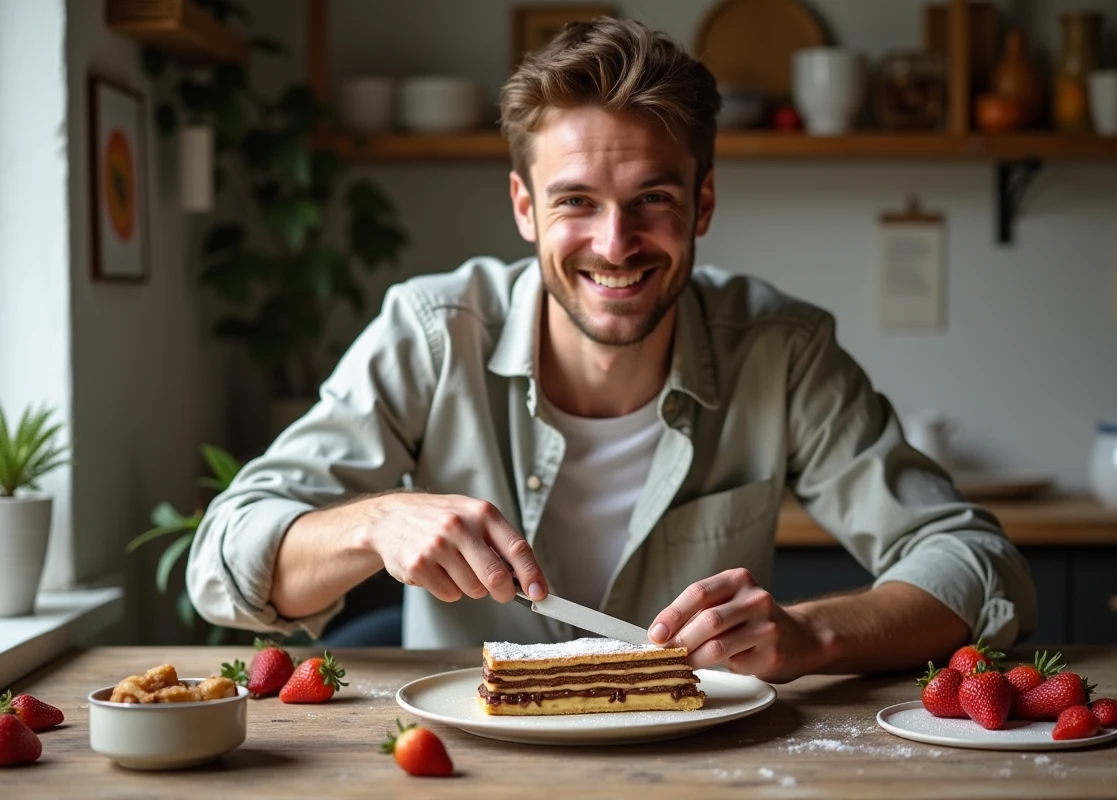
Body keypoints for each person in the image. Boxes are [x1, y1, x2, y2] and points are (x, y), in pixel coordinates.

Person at [187, 17, 1036, 684]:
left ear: (703, 202)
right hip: (473, 768)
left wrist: (812, 633)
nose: (615, 242)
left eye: (652, 198)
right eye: (576, 202)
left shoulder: (783, 350)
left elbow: (973, 560)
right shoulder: (431, 331)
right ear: (524, 208)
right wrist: (373, 521)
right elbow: (225, 558)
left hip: (698, 765)